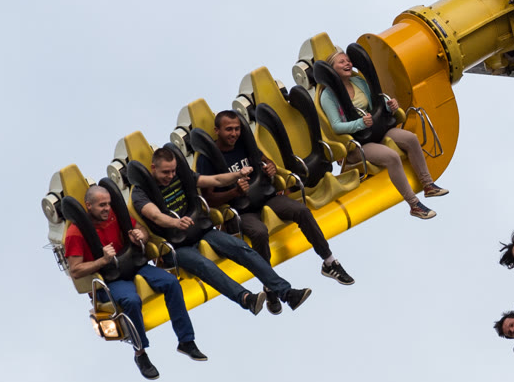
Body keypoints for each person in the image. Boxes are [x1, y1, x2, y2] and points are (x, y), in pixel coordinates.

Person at [133, 144, 312, 313]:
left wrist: (238, 175)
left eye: (173, 171)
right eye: (166, 172)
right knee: (205, 265)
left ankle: (287, 293)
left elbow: (215, 180)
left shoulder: (180, 175)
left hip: (201, 231)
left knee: (242, 248)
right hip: (177, 246)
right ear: (153, 168)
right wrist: (175, 223)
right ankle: (246, 299)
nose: (171, 175)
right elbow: (155, 215)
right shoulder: (140, 192)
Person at [61, 184, 202, 379]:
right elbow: (76, 270)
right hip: (110, 278)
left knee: (170, 282)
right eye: (102, 205)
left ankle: (186, 341)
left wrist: (141, 236)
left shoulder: (115, 214)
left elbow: (141, 229)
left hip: (133, 265)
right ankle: (140, 353)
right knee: (131, 301)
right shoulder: (75, 232)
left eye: (108, 204)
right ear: (89, 206)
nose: (107, 209)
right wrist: (102, 261)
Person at [197, 114, 355, 288]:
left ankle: (329, 262)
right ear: (217, 130)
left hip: (266, 197)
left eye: (237, 129)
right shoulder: (207, 159)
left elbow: (265, 160)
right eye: (228, 129)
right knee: (259, 232)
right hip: (240, 210)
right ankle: (270, 284)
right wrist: (234, 192)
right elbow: (208, 200)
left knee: (301, 211)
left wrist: (270, 167)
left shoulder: (244, 144)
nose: (234, 133)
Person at [317, 51, 445, 218]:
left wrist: (389, 105)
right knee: (391, 157)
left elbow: (376, 102)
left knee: (411, 138)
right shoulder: (327, 96)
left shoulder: (358, 82)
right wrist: (360, 124)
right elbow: (336, 127)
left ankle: (428, 185)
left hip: (376, 129)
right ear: (332, 69)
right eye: (342, 62)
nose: (347, 63)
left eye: (348, 60)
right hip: (358, 143)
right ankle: (414, 205)